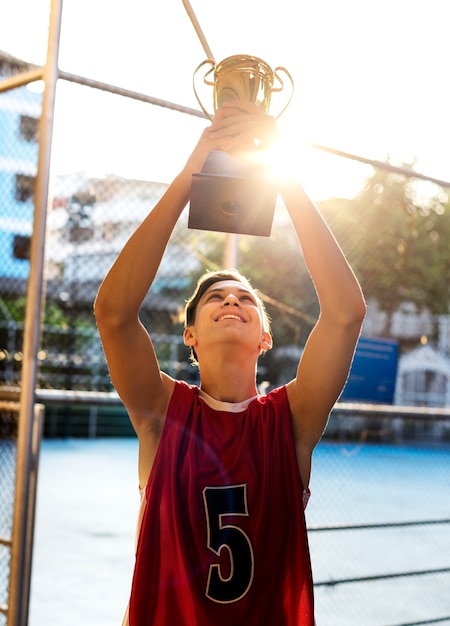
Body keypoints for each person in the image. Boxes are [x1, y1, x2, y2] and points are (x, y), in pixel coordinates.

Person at [94, 100, 366, 626]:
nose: (232, 300)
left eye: (246, 299)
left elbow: (345, 313)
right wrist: (193, 171)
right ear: (190, 335)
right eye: (215, 296)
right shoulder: (162, 412)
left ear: (264, 337)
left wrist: (283, 171)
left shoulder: (289, 421)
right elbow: (114, 313)